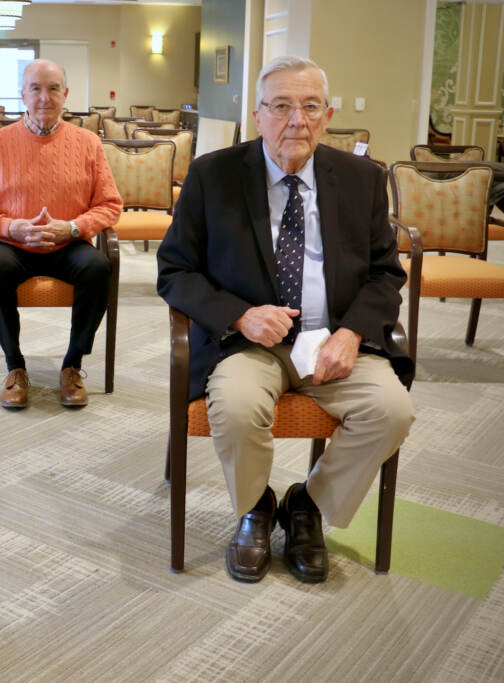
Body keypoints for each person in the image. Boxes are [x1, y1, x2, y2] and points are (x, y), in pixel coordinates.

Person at [156, 56, 414, 584]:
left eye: (310, 106)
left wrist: (351, 333)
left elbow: (386, 274)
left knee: (391, 411)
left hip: (336, 342)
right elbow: (174, 272)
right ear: (257, 115)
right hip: (249, 344)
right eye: (280, 106)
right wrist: (241, 316)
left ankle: (308, 506)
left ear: (328, 114)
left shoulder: (364, 179)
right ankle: (256, 507)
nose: (295, 120)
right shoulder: (213, 175)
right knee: (237, 404)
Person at [0, 59, 122, 409]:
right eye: (36, 88)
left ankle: (72, 365)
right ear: (23, 95)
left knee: (98, 268)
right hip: (11, 244)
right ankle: (15, 367)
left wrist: (73, 228)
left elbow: (110, 205)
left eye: (53, 89)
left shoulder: (89, 143)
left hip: (69, 244)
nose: (44, 98)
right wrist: (8, 226)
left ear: (66, 95)